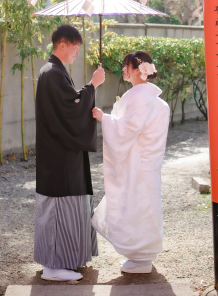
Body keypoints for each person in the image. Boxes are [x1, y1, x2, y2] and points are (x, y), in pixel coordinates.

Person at [34, 24, 106, 282]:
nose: (77, 52)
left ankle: (65, 260)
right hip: (58, 157)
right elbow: (72, 109)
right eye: (75, 47)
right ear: (62, 45)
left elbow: (71, 104)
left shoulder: (53, 71)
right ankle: (53, 266)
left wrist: (87, 89)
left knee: (65, 205)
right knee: (58, 207)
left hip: (59, 154)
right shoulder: (53, 73)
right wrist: (92, 85)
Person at [91, 51, 169, 274]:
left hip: (139, 165)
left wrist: (103, 118)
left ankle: (141, 257)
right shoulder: (148, 97)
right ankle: (140, 255)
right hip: (145, 164)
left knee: (138, 206)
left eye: (126, 65)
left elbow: (129, 128)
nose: (123, 69)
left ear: (138, 70)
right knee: (141, 205)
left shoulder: (141, 97)